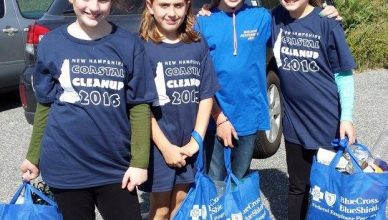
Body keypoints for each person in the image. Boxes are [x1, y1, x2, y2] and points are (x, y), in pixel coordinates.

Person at [19, 0, 158, 219]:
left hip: (115, 168)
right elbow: (45, 105)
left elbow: (139, 105)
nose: (93, 7)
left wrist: (140, 163)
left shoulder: (129, 44)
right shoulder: (52, 43)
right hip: (65, 166)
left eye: (102, 0)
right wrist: (33, 156)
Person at [271, 0, 356, 218]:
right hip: (294, 123)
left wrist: (346, 118)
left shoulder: (326, 22)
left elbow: (343, 75)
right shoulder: (274, 18)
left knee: (328, 188)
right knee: (298, 186)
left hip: (327, 124)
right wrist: (209, 9)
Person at [138, 0, 219, 219]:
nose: (172, 13)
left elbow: (206, 95)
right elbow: (139, 106)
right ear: (150, 6)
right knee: (161, 208)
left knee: (182, 203)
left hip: (188, 144)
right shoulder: (143, 47)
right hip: (159, 144)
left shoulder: (197, 44)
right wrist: (165, 147)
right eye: (164, 5)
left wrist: (196, 140)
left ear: (188, 6)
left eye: (178, 5)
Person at [195, 0, 272, 182]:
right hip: (214, 117)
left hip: (248, 115)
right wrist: (218, 117)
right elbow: (199, 78)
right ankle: (219, 210)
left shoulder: (261, 17)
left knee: (240, 178)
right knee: (215, 181)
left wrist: (325, 11)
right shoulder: (203, 22)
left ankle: (236, 209)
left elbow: (296, 20)